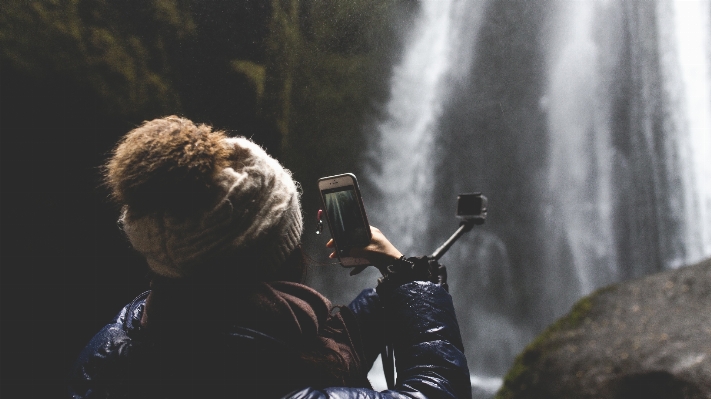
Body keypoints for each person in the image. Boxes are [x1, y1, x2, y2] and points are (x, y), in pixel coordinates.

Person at [69, 116, 472, 399]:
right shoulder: (281, 384)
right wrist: (413, 281)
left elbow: (315, 346)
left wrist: (395, 282)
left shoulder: (119, 341)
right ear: (274, 255)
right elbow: (439, 390)